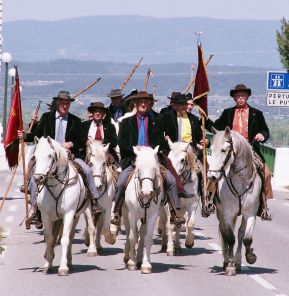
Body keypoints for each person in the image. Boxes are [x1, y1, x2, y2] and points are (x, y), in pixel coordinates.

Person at [17, 91, 102, 228]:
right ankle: (34, 208)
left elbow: (81, 140)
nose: (65, 105)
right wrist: (25, 135)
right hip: (49, 158)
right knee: (35, 176)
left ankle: (94, 200)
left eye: (67, 103)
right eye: (62, 103)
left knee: (86, 170)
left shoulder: (75, 120)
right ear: (57, 103)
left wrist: (71, 144)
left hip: (69, 156)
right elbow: (36, 134)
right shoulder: (46, 118)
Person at [110, 91, 186, 227]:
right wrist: (136, 150)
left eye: (146, 102)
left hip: (152, 160)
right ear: (135, 104)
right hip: (133, 160)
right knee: (121, 182)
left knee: (171, 180)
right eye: (140, 102)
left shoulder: (157, 121)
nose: (143, 104)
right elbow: (121, 142)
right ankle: (116, 212)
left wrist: (151, 151)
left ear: (150, 104)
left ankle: (176, 211)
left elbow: (161, 143)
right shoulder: (126, 122)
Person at [205, 83, 273, 220]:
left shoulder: (256, 114)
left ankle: (263, 206)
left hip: (250, 149)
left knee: (265, 173)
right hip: (231, 150)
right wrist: (204, 118)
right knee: (215, 170)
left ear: (247, 97)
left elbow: (265, 130)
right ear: (234, 98)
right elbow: (216, 127)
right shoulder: (228, 113)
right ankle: (210, 199)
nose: (240, 98)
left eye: (243, 96)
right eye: (238, 96)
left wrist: (262, 135)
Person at [162, 93, 208, 214]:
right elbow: (159, 131)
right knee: (162, 173)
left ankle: (205, 201)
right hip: (172, 150)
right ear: (175, 106)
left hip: (189, 151)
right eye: (180, 104)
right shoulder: (167, 117)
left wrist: (204, 140)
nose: (183, 107)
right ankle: (162, 199)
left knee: (203, 171)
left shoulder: (193, 119)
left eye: (184, 104)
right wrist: (164, 138)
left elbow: (198, 137)